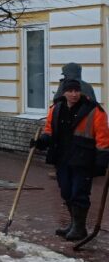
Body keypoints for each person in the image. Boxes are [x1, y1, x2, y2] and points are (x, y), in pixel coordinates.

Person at [37, 78, 109, 241]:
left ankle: (79, 228)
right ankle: (74, 223)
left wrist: (102, 160)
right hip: (62, 158)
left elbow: (103, 137)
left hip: (83, 159)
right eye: (70, 91)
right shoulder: (56, 109)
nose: (74, 94)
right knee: (66, 191)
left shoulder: (93, 110)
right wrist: (42, 141)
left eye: (77, 91)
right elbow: (49, 130)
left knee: (79, 192)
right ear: (64, 92)